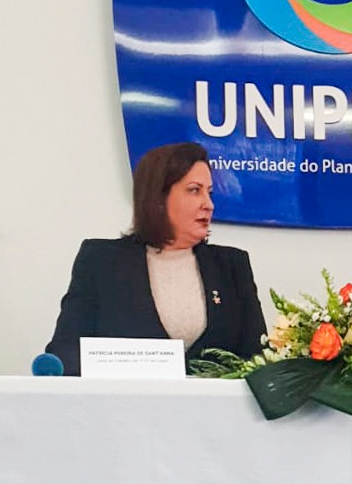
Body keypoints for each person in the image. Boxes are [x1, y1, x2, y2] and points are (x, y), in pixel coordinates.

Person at [46, 142, 266, 375]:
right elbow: (66, 351)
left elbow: (258, 358)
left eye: (209, 192)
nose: (208, 205)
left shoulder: (232, 265)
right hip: (125, 408)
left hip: (214, 410)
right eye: (194, 190)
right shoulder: (101, 262)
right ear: (158, 198)